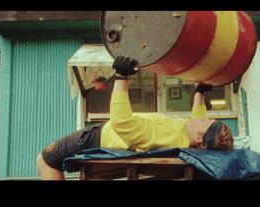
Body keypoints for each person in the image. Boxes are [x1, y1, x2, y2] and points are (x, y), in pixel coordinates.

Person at [36, 56, 234, 180]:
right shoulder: (190, 136)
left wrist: (121, 76)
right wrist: (199, 93)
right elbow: (201, 120)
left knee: (46, 159)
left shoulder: (167, 136)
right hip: (110, 136)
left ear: (199, 139)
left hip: (101, 137)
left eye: (204, 121)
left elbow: (122, 123)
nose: (201, 117)